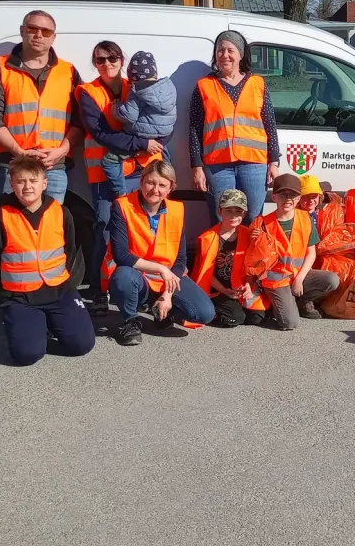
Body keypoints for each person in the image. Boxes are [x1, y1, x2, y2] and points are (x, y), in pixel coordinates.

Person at [0, 153, 95, 366]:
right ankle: (27, 327)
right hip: (21, 298)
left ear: (44, 183)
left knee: (82, 345)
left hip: (59, 292)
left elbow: (70, 251)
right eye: (21, 181)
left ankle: (49, 324)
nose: (27, 187)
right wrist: (5, 295)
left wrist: (67, 283)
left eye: (33, 181)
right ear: (12, 183)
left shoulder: (61, 213)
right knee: (27, 355)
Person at [75, 41, 162, 315]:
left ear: (121, 60)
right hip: (104, 174)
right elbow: (100, 133)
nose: (107, 64)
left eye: (112, 58)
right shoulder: (87, 93)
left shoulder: (135, 86)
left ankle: (140, 288)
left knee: (140, 231)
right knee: (104, 230)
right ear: (95, 63)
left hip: (138, 172)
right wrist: (141, 143)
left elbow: (159, 121)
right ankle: (99, 291)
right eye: (100, 60)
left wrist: (149, 143)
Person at [0, 9, 84, 202]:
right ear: (22, 30)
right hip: (13, 165)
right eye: (33, 28)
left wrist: (61, 151)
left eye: (45, 31)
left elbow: (81, 118)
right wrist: (19, 152)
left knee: (50, 227)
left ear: (53, 37)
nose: (38, 35)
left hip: (54, 167)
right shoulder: (1, 69)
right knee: (12, 227)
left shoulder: (67, 71)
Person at [105, 161, 215, 345]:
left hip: (168, 277)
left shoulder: (177, 209)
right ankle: (131, 321)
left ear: (171, 187)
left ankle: (162, 310)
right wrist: (161, 270)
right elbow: (121, 256)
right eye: (150, 182)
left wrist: (167, 295)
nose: (155, 189)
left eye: (162, 185)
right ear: (141, 182)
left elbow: (180, 260)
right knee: (123, 276)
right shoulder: (122, 206)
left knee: (204, 313)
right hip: (136, 273)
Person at [190, 30, 281, 224]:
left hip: (254, 164)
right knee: (221, 219)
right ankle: (224, 256)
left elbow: (270, 125)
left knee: (252, 218)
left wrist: (273, 162)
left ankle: (249, 255)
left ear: (240, 54)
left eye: (230, 50)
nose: (225, 55)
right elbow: (195, 130)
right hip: (217, 165)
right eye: (220, 50)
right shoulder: (204, 86)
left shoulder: (258, 84)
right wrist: (197, 167)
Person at [254, 173, 340, 329]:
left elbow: (311, 253)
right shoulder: (262, 223)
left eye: (292, 194)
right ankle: (277, 302)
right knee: (290, 323)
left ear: (299, 198)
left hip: (298, 275)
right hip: (276, 281)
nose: (288, 199)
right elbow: (254, 261)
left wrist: (299, 279)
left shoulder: (305, 218)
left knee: (332, 280)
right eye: (283, 194)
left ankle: (300, 301)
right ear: (274, 197)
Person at [189, 189, 266, 328]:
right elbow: (205, 274)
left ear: (244, 213)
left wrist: (248, 285)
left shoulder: (248, 235)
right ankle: (213, 310)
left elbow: (252, 266)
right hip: (217, 288)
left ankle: (233, 307)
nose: (233, 215)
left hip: (240, 287)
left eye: (238, 211)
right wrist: (224, 291)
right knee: (235, 318)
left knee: (257, 317)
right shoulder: (207, 238)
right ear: (220, 211)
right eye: (228, 210)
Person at [107, 50, 176, 187]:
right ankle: (168, 188)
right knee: (164, 165)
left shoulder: (137, 89)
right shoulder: (169, 88)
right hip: (163, 135)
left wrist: (115, 107)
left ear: (134, 76)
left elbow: (130, 115)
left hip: (141, 134)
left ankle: (119, 190)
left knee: (109, 160)